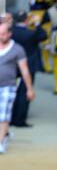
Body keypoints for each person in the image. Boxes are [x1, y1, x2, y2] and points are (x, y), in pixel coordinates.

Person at [0, 22, 35, 153]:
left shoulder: (17, 49)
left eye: (3, 33)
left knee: (3, 115)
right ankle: (5, 133)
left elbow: (25, 71)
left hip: (8, 87)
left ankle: (1, 142)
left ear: (9, 34)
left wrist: (29, 89)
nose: (1, 36)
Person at [11, 11, 47, 127]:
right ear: (26, 20)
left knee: (12, 91)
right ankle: (20, 120)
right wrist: (37, 23)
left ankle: (10, 117)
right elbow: (43, 36)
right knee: (25, 92)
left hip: (12, 65)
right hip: (28, 65)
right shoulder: (30, 34)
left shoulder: (10, 32)